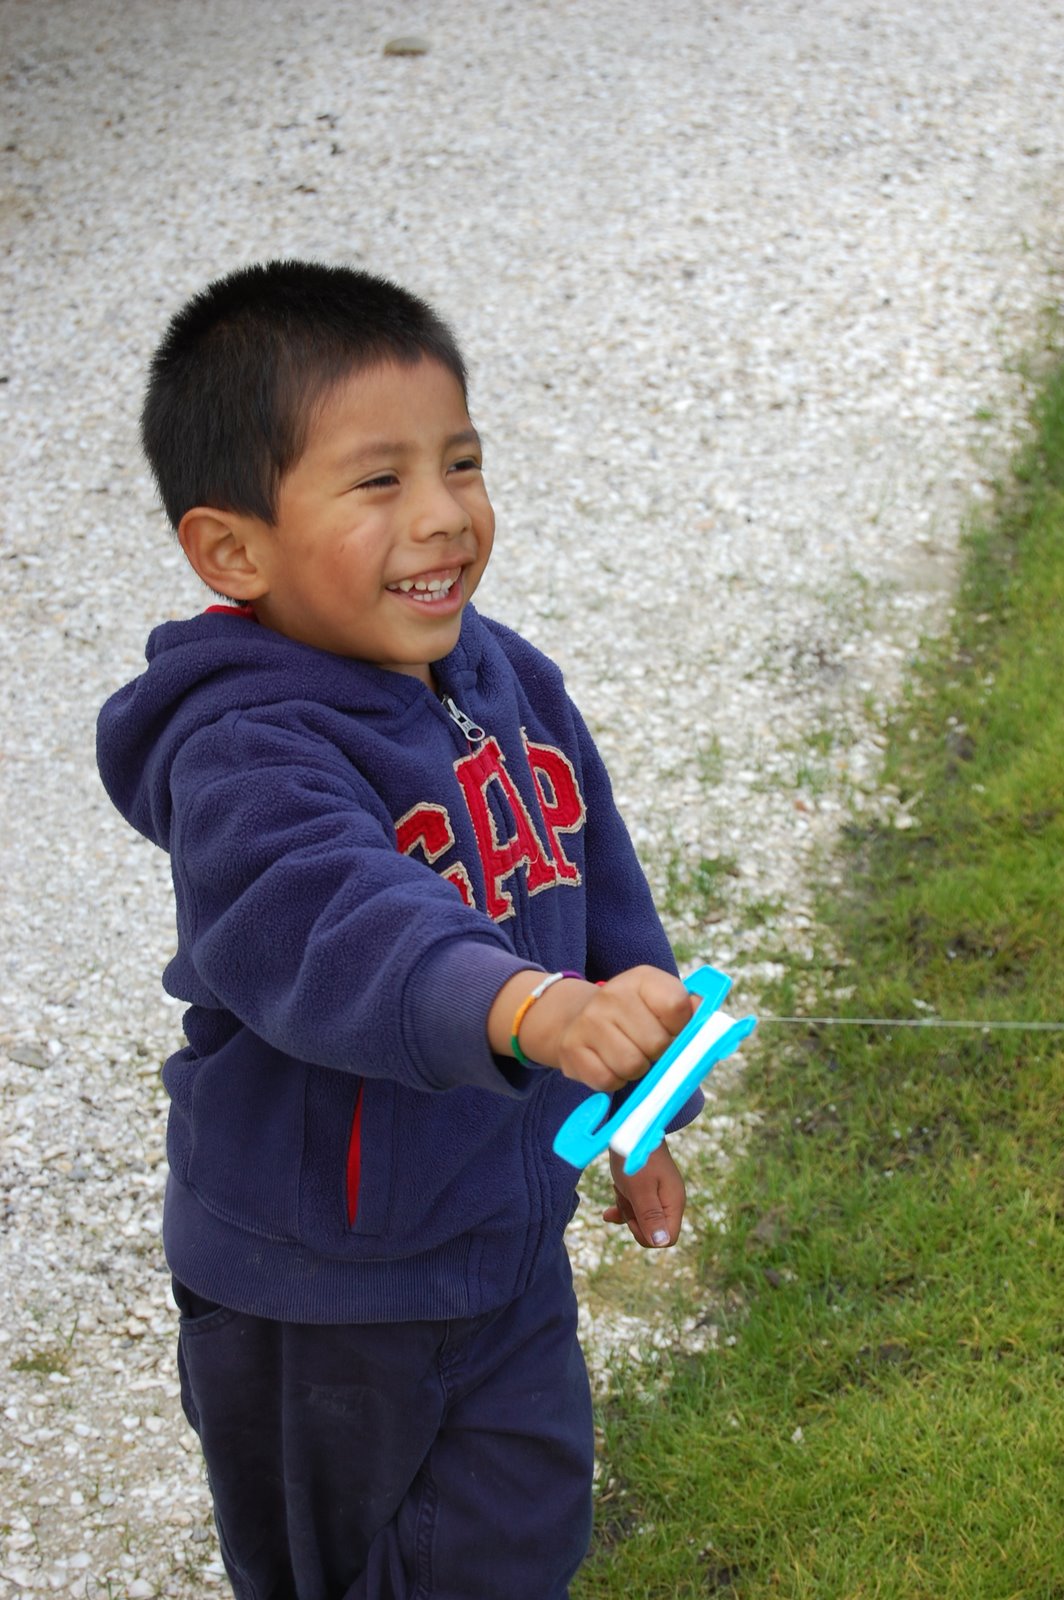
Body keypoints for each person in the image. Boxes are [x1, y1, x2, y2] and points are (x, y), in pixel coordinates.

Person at [96, 259, 704, 1600]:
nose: (443, 516)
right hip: (320, 1295)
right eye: (379, 481)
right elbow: (341, 927)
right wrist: (533, 1010)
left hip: (502, 1239)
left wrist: (641, 1105)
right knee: (340, 1569)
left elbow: (602, 898)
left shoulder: (504, 676)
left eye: (461, 463)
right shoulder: (244, 751)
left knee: (520, 1534)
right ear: (232, 551)